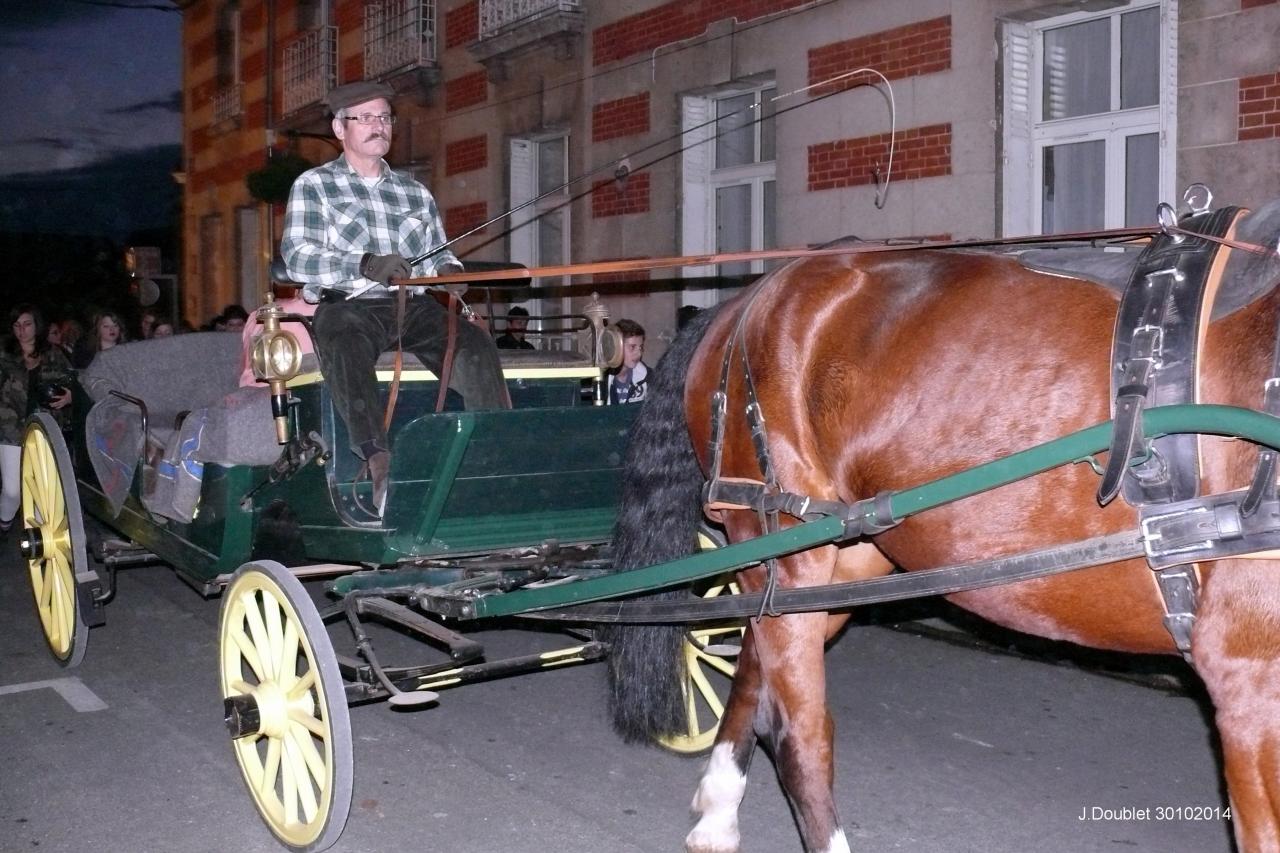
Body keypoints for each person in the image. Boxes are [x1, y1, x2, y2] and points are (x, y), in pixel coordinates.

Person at [280, 79, 509, 515]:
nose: (377, 126)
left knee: (474, 343)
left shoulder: (414, 192)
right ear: (339, 128)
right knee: (343, 339)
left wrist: (449, 273)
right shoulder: (314, 186)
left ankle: (493, 449)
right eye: (364, 118)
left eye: (384, 117)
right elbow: (298, 258)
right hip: (347, 304)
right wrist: (366, 264)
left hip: (412, 306)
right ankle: (377, 459)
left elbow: (439, 253)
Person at [0, 304, 76, 533]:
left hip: (46, 427)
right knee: (12, 490)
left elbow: (73, 382)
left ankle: (46, 540)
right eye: (17, 325)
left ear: (36, 325)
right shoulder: (4, 355)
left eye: (27, 324)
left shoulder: (54, 354)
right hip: (10, 428)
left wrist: (70, 396)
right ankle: (4, 523)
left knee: (44, 487)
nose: (22, 330)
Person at [606, 318, 648, 404]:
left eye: (640, 347)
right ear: (616, 347)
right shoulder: (601, 380)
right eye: (632, 347)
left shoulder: (648, 377)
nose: (639, 353)